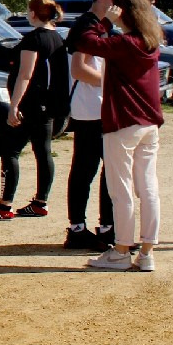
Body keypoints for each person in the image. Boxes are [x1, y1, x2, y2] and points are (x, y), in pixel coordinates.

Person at [68, 0, 164, 273]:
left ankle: (122, 250)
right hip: (149, 123)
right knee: (147, 188)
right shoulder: (150, 41)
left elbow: (83, 41)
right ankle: (146, 251)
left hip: (123, 124)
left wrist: (103, 20)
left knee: (120, 189)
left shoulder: (125, 42)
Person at [0, 0, 68, 220]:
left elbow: (25, 74)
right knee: (43, 152)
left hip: (29, 105)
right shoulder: (57, 38)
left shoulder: (33, 39)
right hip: (47, 107)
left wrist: (14, 105)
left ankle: (5, 205)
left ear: (32, 13)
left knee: (10, 151)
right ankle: (41, 201)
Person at [63, 42, 115, 249]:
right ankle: (84, 228)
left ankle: (103, 227)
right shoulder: (87, 31)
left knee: (102, 170)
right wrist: (115, 83)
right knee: (88, 170)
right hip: (91, 112)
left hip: (96, 110)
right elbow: (79, 71)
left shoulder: (101, 30)